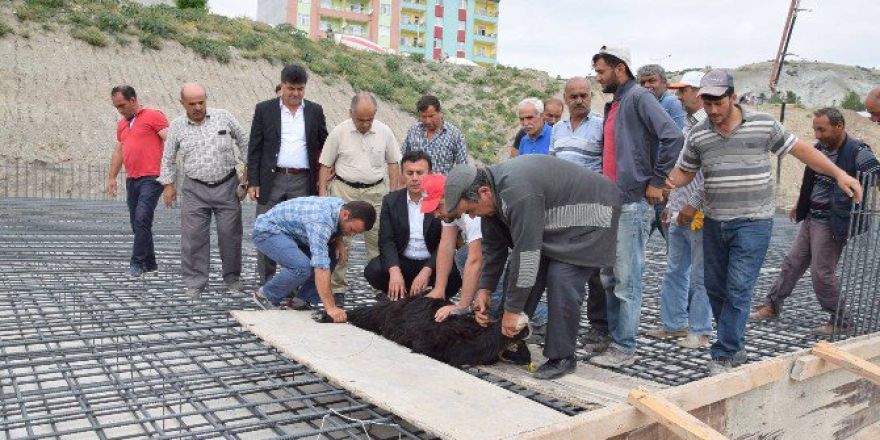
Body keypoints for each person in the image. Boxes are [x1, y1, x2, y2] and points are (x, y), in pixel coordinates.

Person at [667, 70, 863, 375]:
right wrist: (659, 183)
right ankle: (735, 342)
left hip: (753, 222)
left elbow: (803, 152)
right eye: (708, 102)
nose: (714, 110)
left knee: (738, 287)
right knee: (715, 288)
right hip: (716, 221)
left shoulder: (763, 124)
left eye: (719, 102)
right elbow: (684, 173)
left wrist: (839, 174)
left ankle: (726, 351)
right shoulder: (699, 134)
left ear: (732, 97)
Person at [444, 155, 621, 379]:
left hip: (591, 214)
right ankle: (511, 341)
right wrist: (485, 289)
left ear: (483, 193)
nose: (471, 216)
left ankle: (563, 357)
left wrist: (512, 311)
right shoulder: (491, 196)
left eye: (470, 210)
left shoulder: (518, 194)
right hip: (555, 225)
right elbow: (494, 250)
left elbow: (526, 255)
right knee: (526, 275)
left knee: (561, 277)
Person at [589, 45, 684, 368]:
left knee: (627, 279)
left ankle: (625, 346)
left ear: (620, 68)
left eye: (602, 72)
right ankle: (616, 340)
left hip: (631, 203)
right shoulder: (615, 104)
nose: (598, 78)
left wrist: (657, 180)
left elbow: (673, 137)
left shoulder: (639, 97)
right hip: (611, 202)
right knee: (609, 277)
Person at [750, 108, 880, 334]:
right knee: (792, 264)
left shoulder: (858, 152)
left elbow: (876, 176)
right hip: (812, 218)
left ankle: (841, 321)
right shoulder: (819, 150)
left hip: (833, 222)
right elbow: (812, 182)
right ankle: (772, 305)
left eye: (822, 129)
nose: (817, 135)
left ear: (839, 126)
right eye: (815, 130)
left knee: (821, 272)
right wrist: (800, 205)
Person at [419, 174, 548, 333]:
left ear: (450, 198)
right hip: (491, 252)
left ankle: (543, 317)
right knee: (462, 256)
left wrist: (462, 306)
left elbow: (476, 260)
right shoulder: (449, 212)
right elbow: (446, 245)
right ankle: (495, 308)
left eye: (437, 207)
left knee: (501, 296)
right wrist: (439, 289)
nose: (435, 214)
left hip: (508, 253)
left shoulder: (472, 213)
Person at [157, 83, 248, 298]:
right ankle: (195, 283)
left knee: (230, 235)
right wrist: (168, 185)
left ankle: (233, 279)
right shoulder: (177, 126)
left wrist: (248, 171)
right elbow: (168, 157)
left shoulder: (224, 117)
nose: (198, 107)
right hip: (194, 189)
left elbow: (244, 141)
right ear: (182, 104)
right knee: (193, 238)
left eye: (201, 102)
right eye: (192, 103)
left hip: (227, 186)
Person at [645, 71, 712, 349]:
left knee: (700, 275)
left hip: (698, 213)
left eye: (683, 91)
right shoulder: (686, 125)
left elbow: (710, 174)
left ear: (698, 92)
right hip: (678, 210)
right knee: (675, 270)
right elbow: (681, 168)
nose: (678, 96)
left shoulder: (709, 127)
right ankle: (674, 324)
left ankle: (700, 330)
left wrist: (692, 205)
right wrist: (671, 205)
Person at [247, 64, 329, 286]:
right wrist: (253, 181)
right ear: (282, 85)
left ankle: (293, 288)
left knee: (300, 234)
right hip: (271, 180)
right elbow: (254, 148)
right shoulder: (264, 110)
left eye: (300, 89)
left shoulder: (314, 111)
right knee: (266, 230)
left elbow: (325, 145)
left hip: (302, 181)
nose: (295, 93)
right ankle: (266, 285)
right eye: (291, 88)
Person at [319, 93, 401, 303]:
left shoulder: (384, 132)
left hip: (375, 193)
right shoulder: (339, 132)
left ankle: (380, 289)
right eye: (360, 120)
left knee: (378, 242)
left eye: (369, 120)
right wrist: (323, 199)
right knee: (340, 242)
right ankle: (337, 290)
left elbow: (393, 164)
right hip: (344, 192)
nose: (365, 124)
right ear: (351, 114)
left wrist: (393, 196)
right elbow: (325, 165)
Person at [548, 76, 609, 348]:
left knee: (596, 272)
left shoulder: (600, 126)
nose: (580, 100)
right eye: (574, 96)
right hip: (564, 210)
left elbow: (607, 164)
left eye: (584, 95)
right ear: (566, 99)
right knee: (566, 270)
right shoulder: (557, 129)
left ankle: (600, 328)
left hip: (594, 206)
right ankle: (568, 326)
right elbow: (552, 165)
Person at [251, 197, 376, 322]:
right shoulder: (321, 221)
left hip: (294, 234)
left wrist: (338, 240)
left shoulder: (342, 207)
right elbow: (321, 268)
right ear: (345, 214)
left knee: (332, 253)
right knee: (301, 267)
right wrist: (331, 308)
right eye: (351, 230)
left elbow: (335, 228)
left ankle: (301, 301)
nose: (351, 235)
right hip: (268, 231)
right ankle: (266, 295)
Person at [363, 151, 461, 300]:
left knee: (455, 274)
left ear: (430, 174)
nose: (415, 178)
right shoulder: (391, 201)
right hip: (403, 260)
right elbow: (386, 240)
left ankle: (435, 297)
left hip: (432, 261)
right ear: (402, 175)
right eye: (409, 173)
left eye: (420, 173)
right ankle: (398, 293)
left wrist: (427, 270)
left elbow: (445, 242)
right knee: (373, 270)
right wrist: (394, 271)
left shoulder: (440, 200)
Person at [106, 85, 169, 278]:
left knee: (142, 218)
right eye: (116, 107)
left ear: (133, 100)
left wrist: (170, 177)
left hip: (152, 177)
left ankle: (137, 262)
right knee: (137, 223)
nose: (120, 110)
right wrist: (112, 177)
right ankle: (150, 263)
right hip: (132, 179)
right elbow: (119, 151)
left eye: (122, 105)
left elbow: (171, 141)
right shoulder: (122, 125)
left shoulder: (153, 116)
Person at [639, 64, 687, 243]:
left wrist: (666, 182)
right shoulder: (646, 104)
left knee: (673, 242)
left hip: (663, 183)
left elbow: (678, 143)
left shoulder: (670, 104)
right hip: (652, 182)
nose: (647, 86)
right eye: (643, 82)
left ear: (665, 84)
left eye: (652, 81)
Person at [400, 95, 467, 175]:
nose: (427, 121)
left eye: (431, 116)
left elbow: (463, 167)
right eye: (424, 117)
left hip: (442, 186)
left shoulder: (455, 135)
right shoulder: (413, 132)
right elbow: (403, 158)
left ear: (439, 113)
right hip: (417, 185)